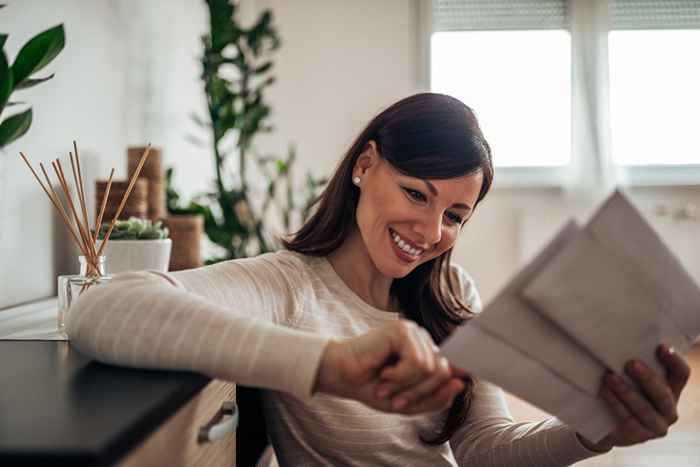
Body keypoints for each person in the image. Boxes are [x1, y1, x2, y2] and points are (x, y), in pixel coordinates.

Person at [67, 93, 690, 466]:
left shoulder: (450, 295)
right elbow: (102, 310)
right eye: (415, 193)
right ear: (366, 165)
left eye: (454, 215)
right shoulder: (287, 286)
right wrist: (334, 364)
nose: (429, 229)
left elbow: (484, 450)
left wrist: (593, 431)